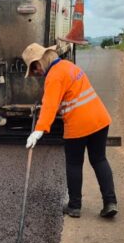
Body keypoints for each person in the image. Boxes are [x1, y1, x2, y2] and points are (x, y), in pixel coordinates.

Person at [22, 43, 117, 219]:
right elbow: (65, 95)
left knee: (74, 163)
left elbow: (50, 105)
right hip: (100, 119)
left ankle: (74, 206)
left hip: (79, 124)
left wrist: (39, 130)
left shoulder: (53, 77)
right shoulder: (68, 66)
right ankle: (110, 202)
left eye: (34, 69)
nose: (36, 73)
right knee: (99, 159)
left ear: (40, 61)